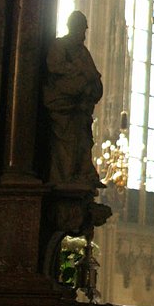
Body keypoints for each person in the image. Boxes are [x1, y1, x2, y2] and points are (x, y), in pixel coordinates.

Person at [43, 10, 103, 187]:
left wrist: (90, 87)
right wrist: (78, 74)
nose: (83, 35)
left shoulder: (83, 52)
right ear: (72, 27)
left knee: (83, 145)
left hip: (80, 110)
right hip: (63, 107)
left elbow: (94, 77)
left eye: (84, 30)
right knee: (66, 149)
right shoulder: (60, 46)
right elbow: (55, 67)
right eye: (81, 30)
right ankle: (65, 179)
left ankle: (79, 176)